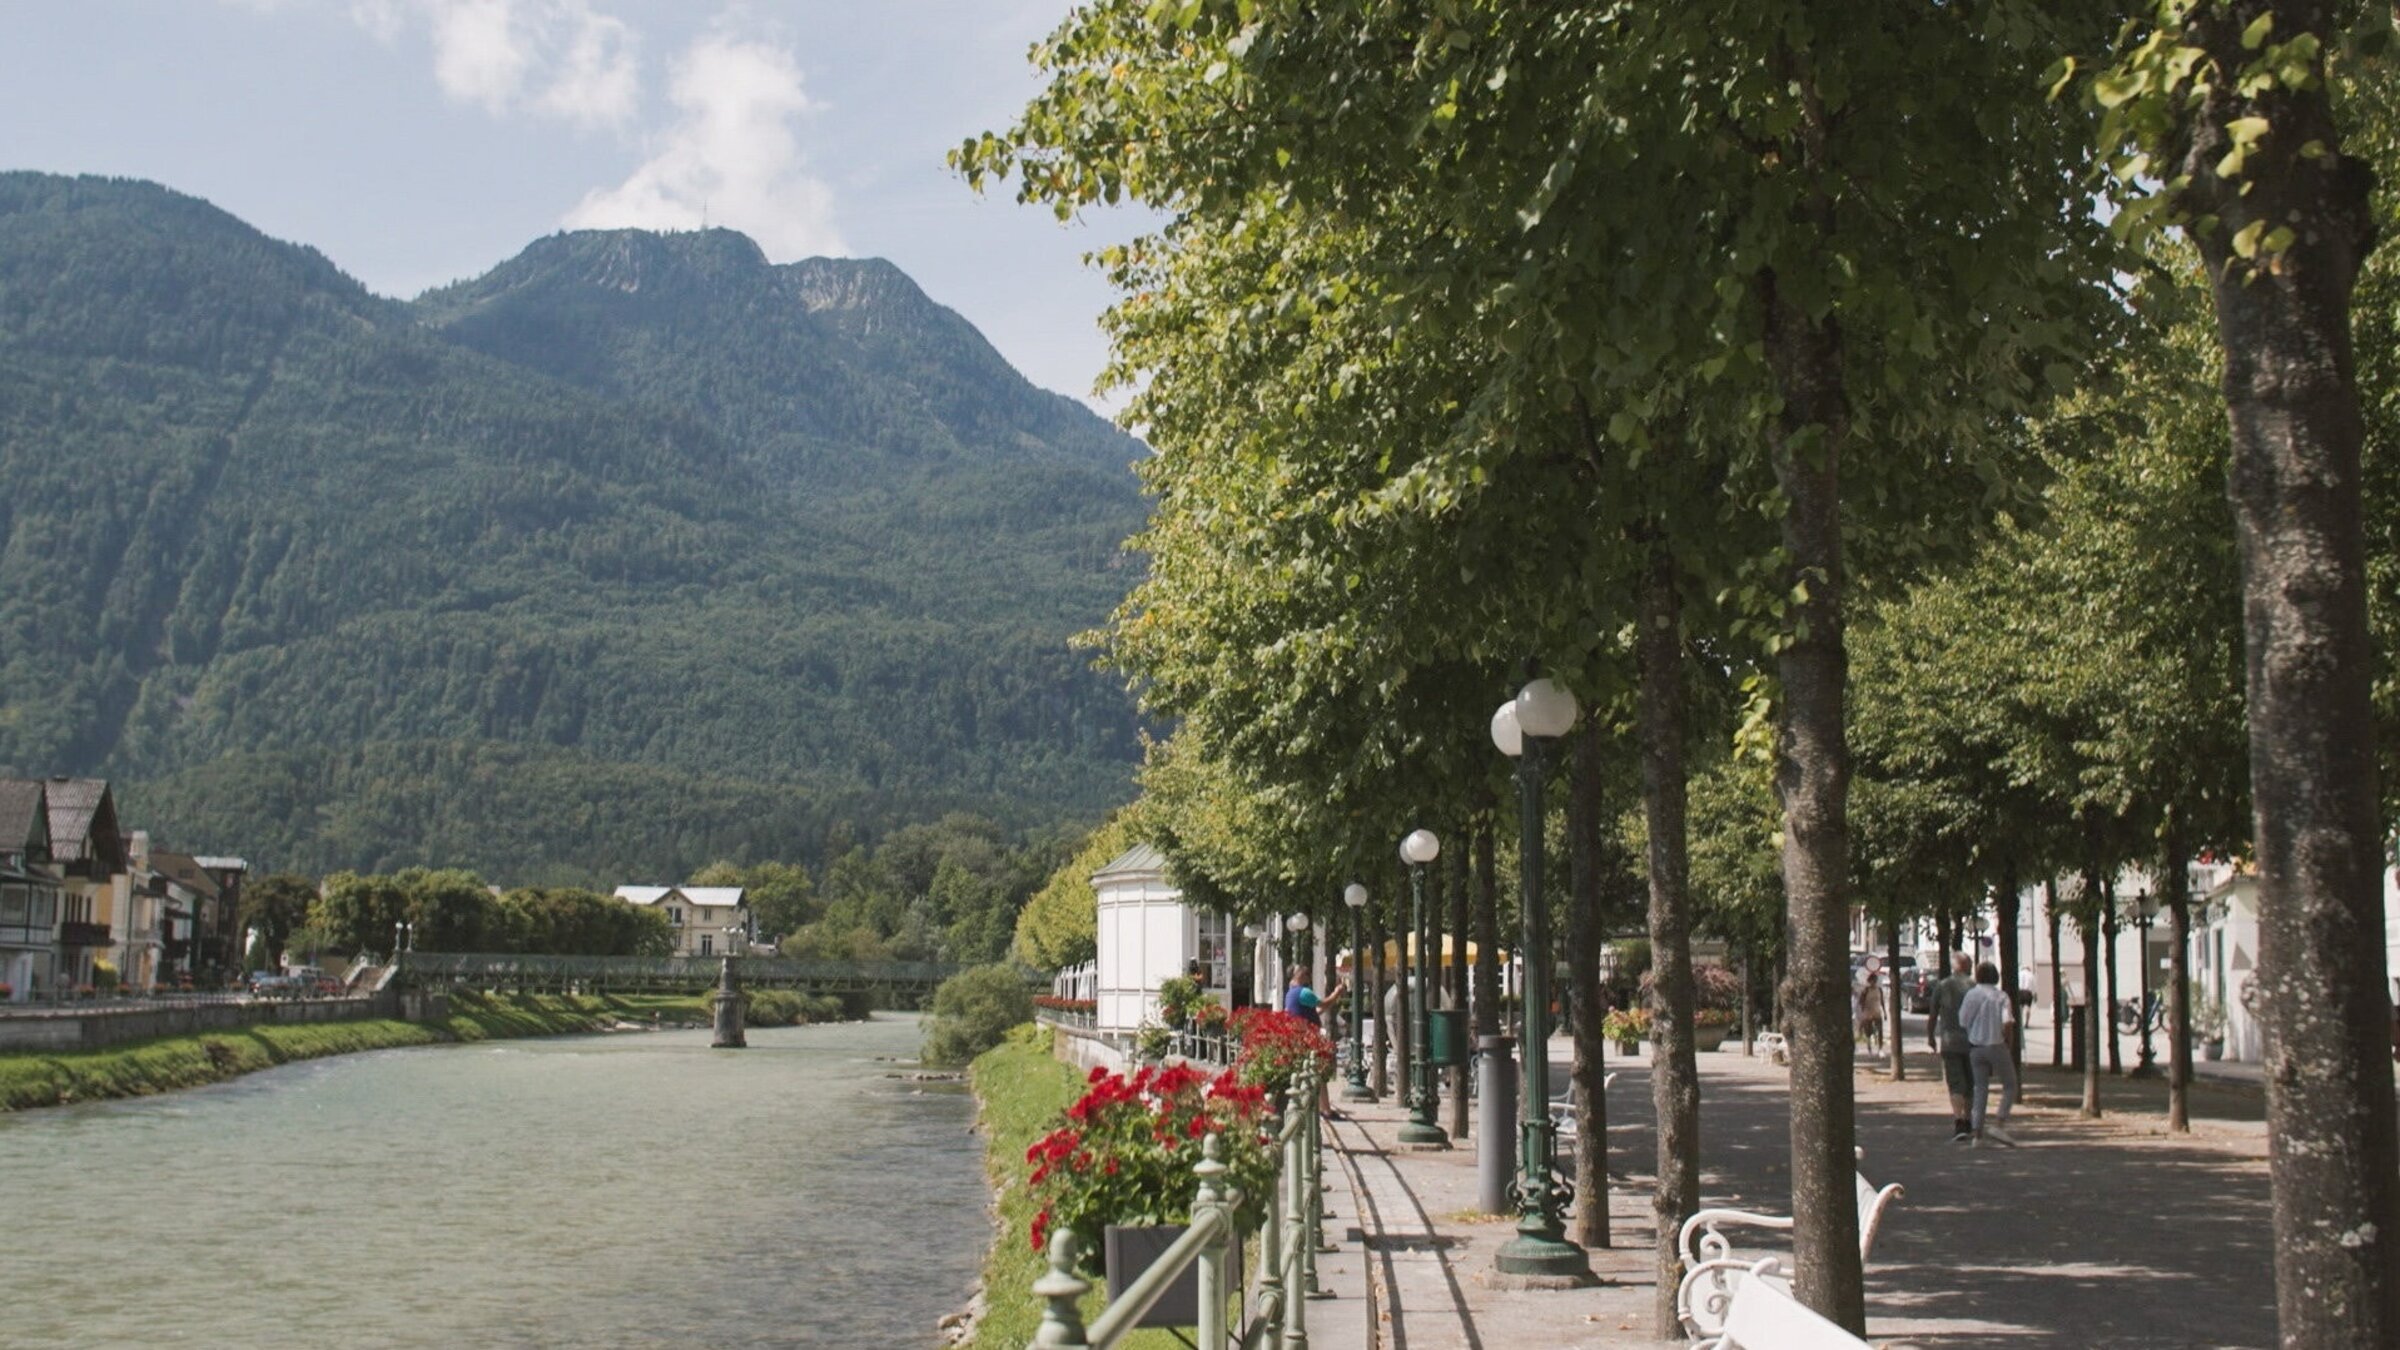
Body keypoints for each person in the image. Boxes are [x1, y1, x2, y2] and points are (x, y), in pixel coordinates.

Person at [1962, 961, 2021, 1147]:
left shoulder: (1971, 995)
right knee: (2010, 1085)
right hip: (1996, 1044)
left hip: (1975, 1047)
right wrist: (2009, 1044)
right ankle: (1999, 1123)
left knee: (1980, 1089)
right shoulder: (2001, 996)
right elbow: (2007, 1023)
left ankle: (1977, 1135)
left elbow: (1963, 1020)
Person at [1928, 953, 1977, 1142]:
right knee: (1970, 1083)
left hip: (1950, 1041)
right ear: (1966, 965)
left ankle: (1959, 1122)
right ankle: (1969, 1119)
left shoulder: (1942, 985)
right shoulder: (1974, 986)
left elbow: (1933, 1014)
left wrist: (1931, 1036)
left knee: (1956, 1083)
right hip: (1972, 1042)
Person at [1855, 968, 1885, 1054]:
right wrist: (1863, 1009)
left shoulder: (1879, 990)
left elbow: (1882, 1001)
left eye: (1874, 981)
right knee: (1868, 1032)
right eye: (1871, 981)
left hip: (1877, 1012)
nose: (1873, 983)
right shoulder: (1866, 990)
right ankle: (1869, 1047)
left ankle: (1880, 1048)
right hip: (1867, 1013)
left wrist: (1885, 1012)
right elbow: (1861, 1001)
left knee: (1880, 1030)